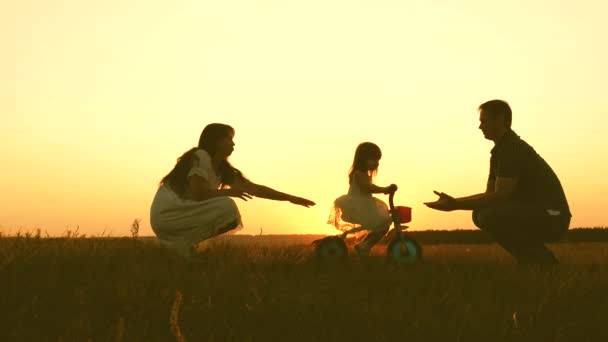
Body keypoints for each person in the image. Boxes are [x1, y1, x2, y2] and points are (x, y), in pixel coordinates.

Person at [424, 100, 571, 265]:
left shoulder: (511, 148)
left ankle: (542, 261)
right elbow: (490, 195)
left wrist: (455, 205)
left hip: (553, 216)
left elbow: (500, 196)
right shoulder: (501, 150)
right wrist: (454, 201)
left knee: (489, 215)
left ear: (500, 120)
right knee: (480, 213)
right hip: (540, 213)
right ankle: (533, 259)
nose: (480, 127)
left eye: (484, 121)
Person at [150, 123, 316, 257]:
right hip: (169, 213)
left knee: (229, 213)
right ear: (216, 141)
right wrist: (228, 192)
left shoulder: (223, 169)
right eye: (229, 138)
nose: (233, 143)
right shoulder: (200, 156)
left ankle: (185, 249)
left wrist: (289, 198)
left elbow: (255, 189)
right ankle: (186, 248)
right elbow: (198, 193)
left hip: (185, 213)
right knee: (226, 206)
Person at [328, 142, 398, 257]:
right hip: (358, 206)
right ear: (362, 159)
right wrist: (385, 189)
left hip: (363, 205)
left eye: (378, 160)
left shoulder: (364, 174)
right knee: (383, 223)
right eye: (373, 159)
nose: (376, 163)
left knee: (382, 225)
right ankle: (364, 246)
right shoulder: (359, 174)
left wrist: (385, 189)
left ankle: (364, 245)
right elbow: (368, 188)